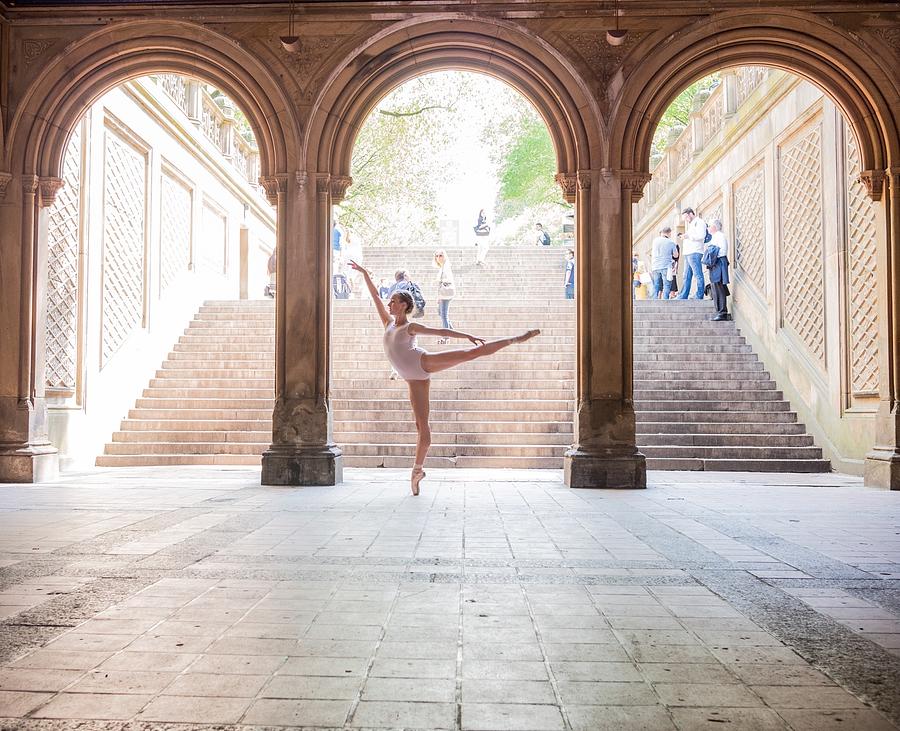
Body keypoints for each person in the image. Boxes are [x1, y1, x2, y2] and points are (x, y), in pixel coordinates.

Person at [348, 259, 540, 496]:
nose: (389, 303)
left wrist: (466, 335)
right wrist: (365, 273)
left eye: (394, 301)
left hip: (422, 363)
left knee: (471, 353)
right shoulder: (387, 323)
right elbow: (375, 296)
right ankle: (417, 471)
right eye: (390, 301)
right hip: (413, 380)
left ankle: (515, 339)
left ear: (404, 305)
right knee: (423, 430)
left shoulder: (410, 327)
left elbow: (441, 331)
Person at [704, 218, 731, 321]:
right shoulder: (715, 237)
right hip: (715, 264)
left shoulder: (720, 236)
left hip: (719, 263)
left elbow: (723, 251)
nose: (708, 228)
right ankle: (719, 311)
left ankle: (722, 312)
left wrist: (711, 254)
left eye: (709, 226)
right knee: (715, 287)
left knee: (719, 287)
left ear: (714, 227)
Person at [678, 207, 707, 300]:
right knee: (686, 275)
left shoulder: (699, 222)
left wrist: (688, 236)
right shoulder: (691, 225)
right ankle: (683, 295)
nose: (686, 220)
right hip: (688, 253)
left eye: (686, 217)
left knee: (698, 274)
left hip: (695, 252)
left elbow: (701, 235)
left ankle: (699, 295)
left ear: (691, 214)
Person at [650, 227, 677, 299]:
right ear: (669, 233)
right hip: (666, 266)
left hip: (655, 266)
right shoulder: (671, 242)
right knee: (667, 284)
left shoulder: (655, 240)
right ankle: (665, 300)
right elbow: (676, 255)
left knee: (656, 284)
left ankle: (654, 300)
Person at [434, 250, 455, 343]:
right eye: (437, 256)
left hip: (446, 292)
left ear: (445, 256)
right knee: (440, 312)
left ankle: (446, 337)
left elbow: (448, 279)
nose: (439, 257)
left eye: (441, 255)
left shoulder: (446, 266)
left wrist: (440, 281)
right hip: (442, 293)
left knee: (444, 315)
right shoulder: (442, 267)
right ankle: (451, 330)